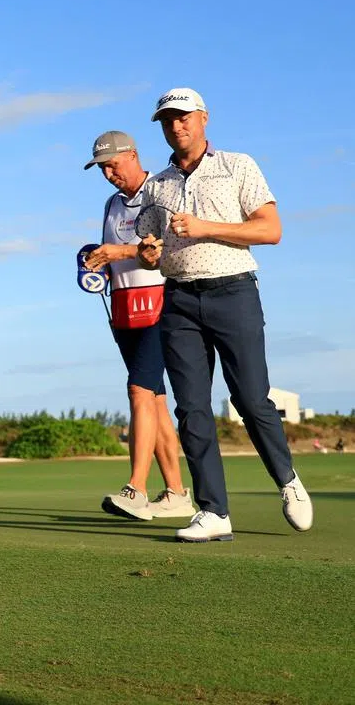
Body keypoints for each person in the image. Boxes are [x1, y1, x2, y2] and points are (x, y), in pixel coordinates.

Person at [136, 88, 313, 542]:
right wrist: (149, 252)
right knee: (191, 409)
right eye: (167, 120)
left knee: (251, 399)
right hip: (178, 301)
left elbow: (270, 230)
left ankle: (288, 481)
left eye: (184, 117)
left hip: (233, 292)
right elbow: (149, 249)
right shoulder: (156, 185)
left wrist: (205, 226)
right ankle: (214, 511)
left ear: (204, 118)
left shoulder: (238, 165)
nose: (176, 126)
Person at [82, 131, 193, 521]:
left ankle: (136, 489)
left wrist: (121, 251)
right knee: (155, 401)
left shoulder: (159, 191)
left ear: (133, 155)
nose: (109, 173)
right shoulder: (112, 204)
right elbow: (114, 257)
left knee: (138, 391)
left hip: (162, 303)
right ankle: (178, 493)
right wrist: (96, 263)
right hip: (124, 309)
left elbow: (162, 247)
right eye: (102, 168)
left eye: (114, 164)